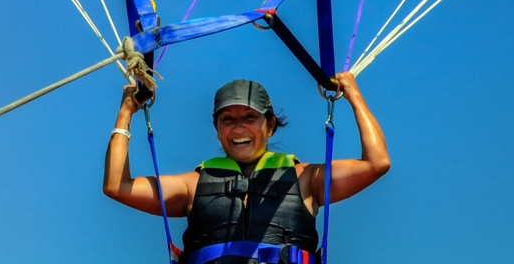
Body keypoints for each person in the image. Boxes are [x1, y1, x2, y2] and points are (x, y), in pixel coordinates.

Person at [102, 73, 390, 264]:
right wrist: (126, 112)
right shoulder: (192, 185)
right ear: (217, 129)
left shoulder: (305, 178)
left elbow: (376, 163)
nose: (239, 127)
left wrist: (353, 94)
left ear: (270, 125)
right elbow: (117, 186)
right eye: (227, 119)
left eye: (250, 117)